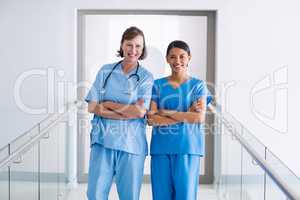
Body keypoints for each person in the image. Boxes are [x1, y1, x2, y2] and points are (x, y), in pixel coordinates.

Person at [85, 26, 153, 200]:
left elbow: (139, 112)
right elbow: (92, 107)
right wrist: (125, 111)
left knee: (129, 196)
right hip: (103, 141)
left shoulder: (145, 76)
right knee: (95, 194)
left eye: (138, 46)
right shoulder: (106, 71)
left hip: (131, 144)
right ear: (122, 45)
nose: (133, 50)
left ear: (143, 49)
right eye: (129, 45)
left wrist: (108, 104)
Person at [147, 40, 212, 200]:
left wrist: (167, 112)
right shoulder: (157, 85)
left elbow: (198, 117)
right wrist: (184, 115)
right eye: (173, 57)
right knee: (161, 196)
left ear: (189, 57)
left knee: (185, 197)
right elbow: (151, 119)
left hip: (187, 148)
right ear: (167, 59)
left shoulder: (198, 86)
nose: (177, 61)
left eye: (182, 56)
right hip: (161, 149)